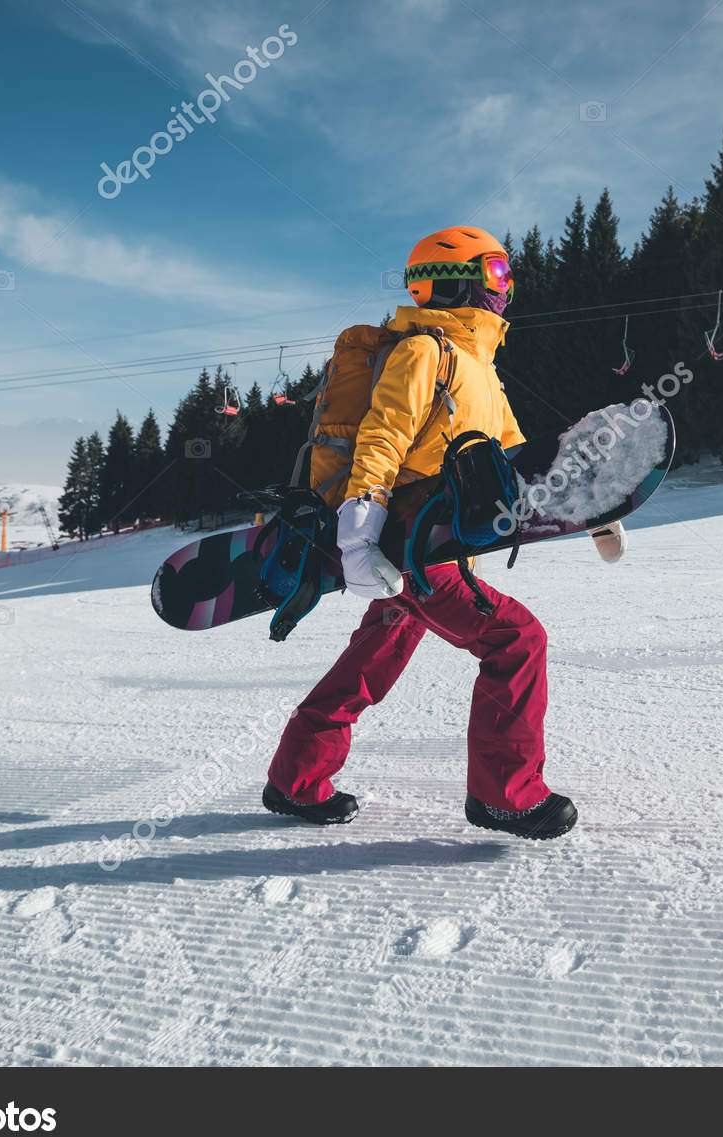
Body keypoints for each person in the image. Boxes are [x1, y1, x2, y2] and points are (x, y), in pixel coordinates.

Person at [262, 225, 624, 839]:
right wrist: (357, 532)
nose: (507, 288)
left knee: (366, 667)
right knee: (517, 641)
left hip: (438, 549)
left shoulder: (481, 369)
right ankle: (504, 797)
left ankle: (296, 781)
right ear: (459, 278)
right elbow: (383, 437)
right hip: (408, 547)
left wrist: (594, 508)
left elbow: (522, 463)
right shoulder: (423, 351)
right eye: (498, 274)